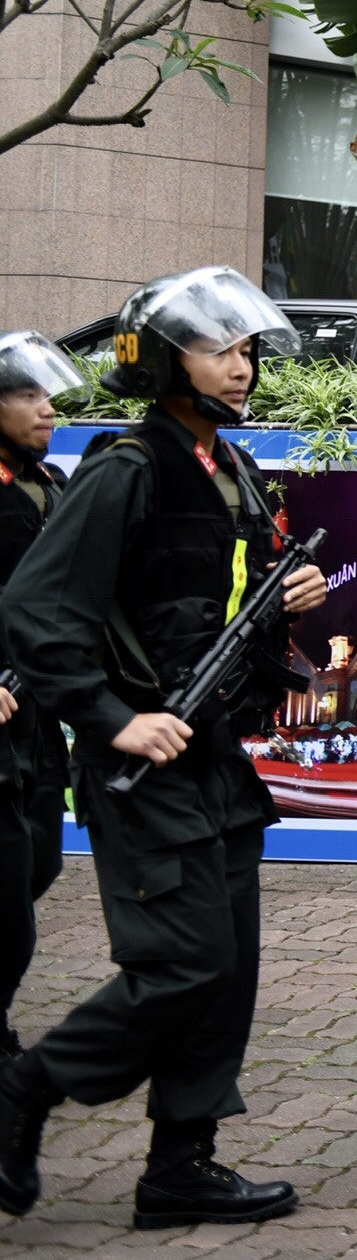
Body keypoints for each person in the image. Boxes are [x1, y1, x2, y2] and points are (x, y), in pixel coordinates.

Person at [0, 268, 326, 1226]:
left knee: (229, 970)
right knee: (182, 964)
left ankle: (181, 1164)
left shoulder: (229, 468)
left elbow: (221, 604)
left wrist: (288, 601)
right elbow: (36, 613)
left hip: (215, 760)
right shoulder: (128, 469)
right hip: (141, 764)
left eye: (247, 350)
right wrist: (110, 717)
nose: (242, 366)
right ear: (160, 362)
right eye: (220, 350)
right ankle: (24, 1090)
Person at [0, 332, 86, 1059]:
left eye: (47, 394)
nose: (46, 408)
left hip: (36, 710)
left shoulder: (51, 485)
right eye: (27, 395)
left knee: (40, 863)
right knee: (7, 894)